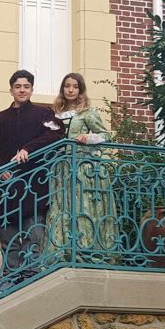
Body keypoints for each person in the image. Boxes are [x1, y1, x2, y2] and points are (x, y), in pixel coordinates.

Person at [0, 70, 64, 277]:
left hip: (33, 188)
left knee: (33, 235)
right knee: (9, 241)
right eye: (18, 86)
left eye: (26, 86)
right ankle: (11, 282)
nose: (22, 90)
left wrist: (29, 149)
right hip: (6, 189)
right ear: (11, 90)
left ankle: (30, 280)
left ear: (32, 89)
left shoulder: (43, 115)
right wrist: (0, 168)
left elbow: (57, 133)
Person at [47, 73, 116, 256]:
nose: (70, 90)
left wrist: (88, 138)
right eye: (67, 86)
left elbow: (106, 136)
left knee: (82, 206)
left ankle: (86, 249)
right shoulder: (54, 113)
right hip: (61, 168)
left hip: (83, 167)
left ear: (81, 90)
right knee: (62, 206)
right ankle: (64, 250)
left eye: (75, 86)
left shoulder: (87, 112)